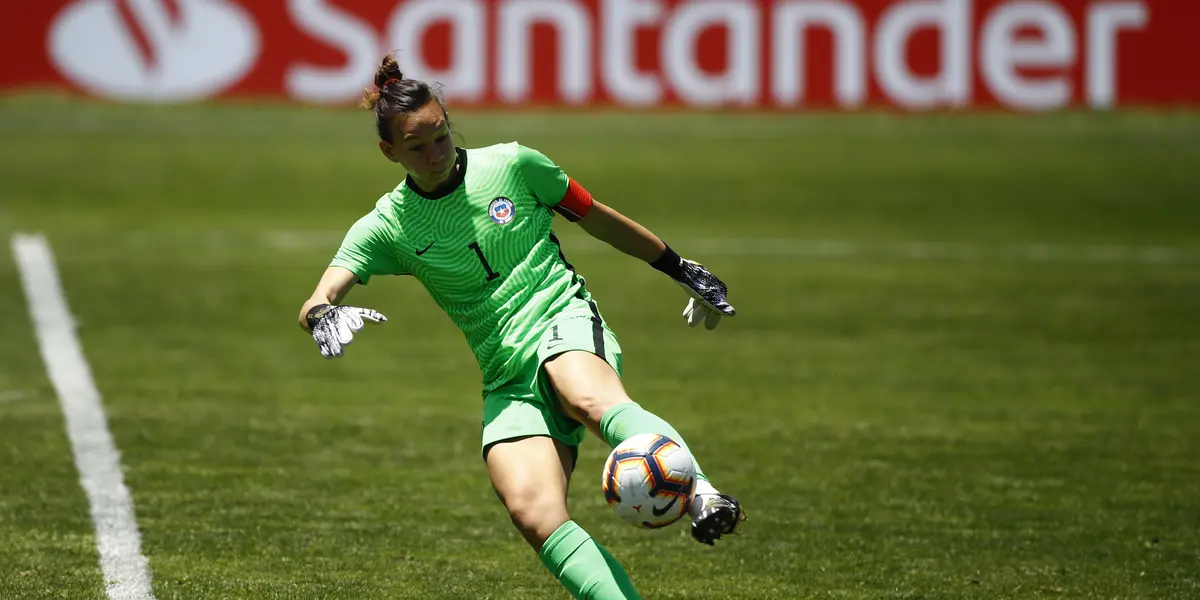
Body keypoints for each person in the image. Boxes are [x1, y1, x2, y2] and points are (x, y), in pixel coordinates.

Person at [297, 53, 746, 600]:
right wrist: (323, 314)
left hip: (563, 320)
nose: (437, 153)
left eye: (442, 135)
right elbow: (321, 293)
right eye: (418, 146)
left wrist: (678, 267)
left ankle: (699, 490)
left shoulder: (514, 165)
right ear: (389, 151)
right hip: (505, 377)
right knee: (533, 512)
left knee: (587, 396)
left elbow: (598, 217)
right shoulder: (387, 225)